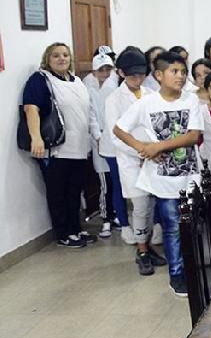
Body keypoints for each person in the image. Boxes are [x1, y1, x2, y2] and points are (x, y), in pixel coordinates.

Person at [113, 51, 203, 295]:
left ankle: (192, 266)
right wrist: (143, 148)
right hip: (163, 179)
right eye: (175, 71)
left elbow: (193, 136)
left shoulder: (191, 100)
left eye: (184, 72)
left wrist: (157, 146)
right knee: (172, 226)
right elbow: (119, 129)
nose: (181, 76)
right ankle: (177, 274)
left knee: (192, 224)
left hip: (190, 174)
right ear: (159, 75)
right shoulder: (146, 103)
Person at [23, 42, 95, 248]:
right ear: (48, 59)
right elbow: (31, 109)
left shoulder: (77, 82)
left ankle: (76, 228)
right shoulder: (40, 80)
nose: (61, 58)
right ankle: (63, 233)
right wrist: (35, 137)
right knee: (58, 193)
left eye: (65, 55)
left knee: (74, 191)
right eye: (55, 55)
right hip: (56, 149)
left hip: (79, 146)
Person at [102, 48, 151, 246]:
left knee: (152, 205)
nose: (138, 79)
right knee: (139, 206)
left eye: (141, 74)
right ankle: (142, 249)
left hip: (153, 156)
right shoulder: (114, 100)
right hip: (131, 159)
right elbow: (116, 136)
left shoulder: (150, 94)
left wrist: (152, 151)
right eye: (132, 75)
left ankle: (148, 243)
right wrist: (140, 152)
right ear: (121, 73)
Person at [87, 51, 117, 238]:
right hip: (98, 142)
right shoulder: (87, 88)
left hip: (114, 139)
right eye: (101, 69)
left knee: (116, 182)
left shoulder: (114, 88)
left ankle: (116, 215)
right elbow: (90, 116)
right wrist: (98, 136)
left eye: (108, 69)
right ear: (94, 71)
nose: (105, 73)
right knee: (105, 183)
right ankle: (106, 218)